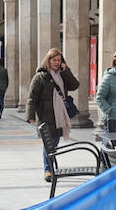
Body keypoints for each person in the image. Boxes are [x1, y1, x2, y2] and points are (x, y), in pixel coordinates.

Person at [26, 48, 81, 182]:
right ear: (48, 61)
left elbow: (75, 86)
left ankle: (51, 165)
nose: (56, 63)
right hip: (45, 115)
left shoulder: (63, 74)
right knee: (48, 144)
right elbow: (32, 97)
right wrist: (30, 115)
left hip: (59, 115)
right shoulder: (40, 77)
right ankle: (48, 170)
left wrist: (66, 71)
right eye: (54, 60)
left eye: (59, 60)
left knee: (54, 144)